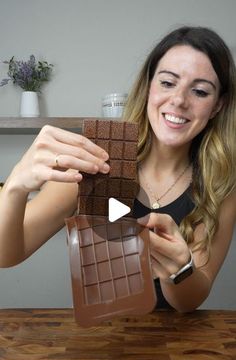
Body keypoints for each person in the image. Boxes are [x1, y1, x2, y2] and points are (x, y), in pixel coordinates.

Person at [0, 26, 235, 313]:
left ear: (217, 106)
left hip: (175, 348)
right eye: (167, 83)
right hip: (101, 341)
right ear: (149, 86)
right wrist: (15, 187)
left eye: (199, 91)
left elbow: (191, 300)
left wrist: (180, 268)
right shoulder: (94, 160)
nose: (179, 100)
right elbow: (8, 255)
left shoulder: (221, 184)